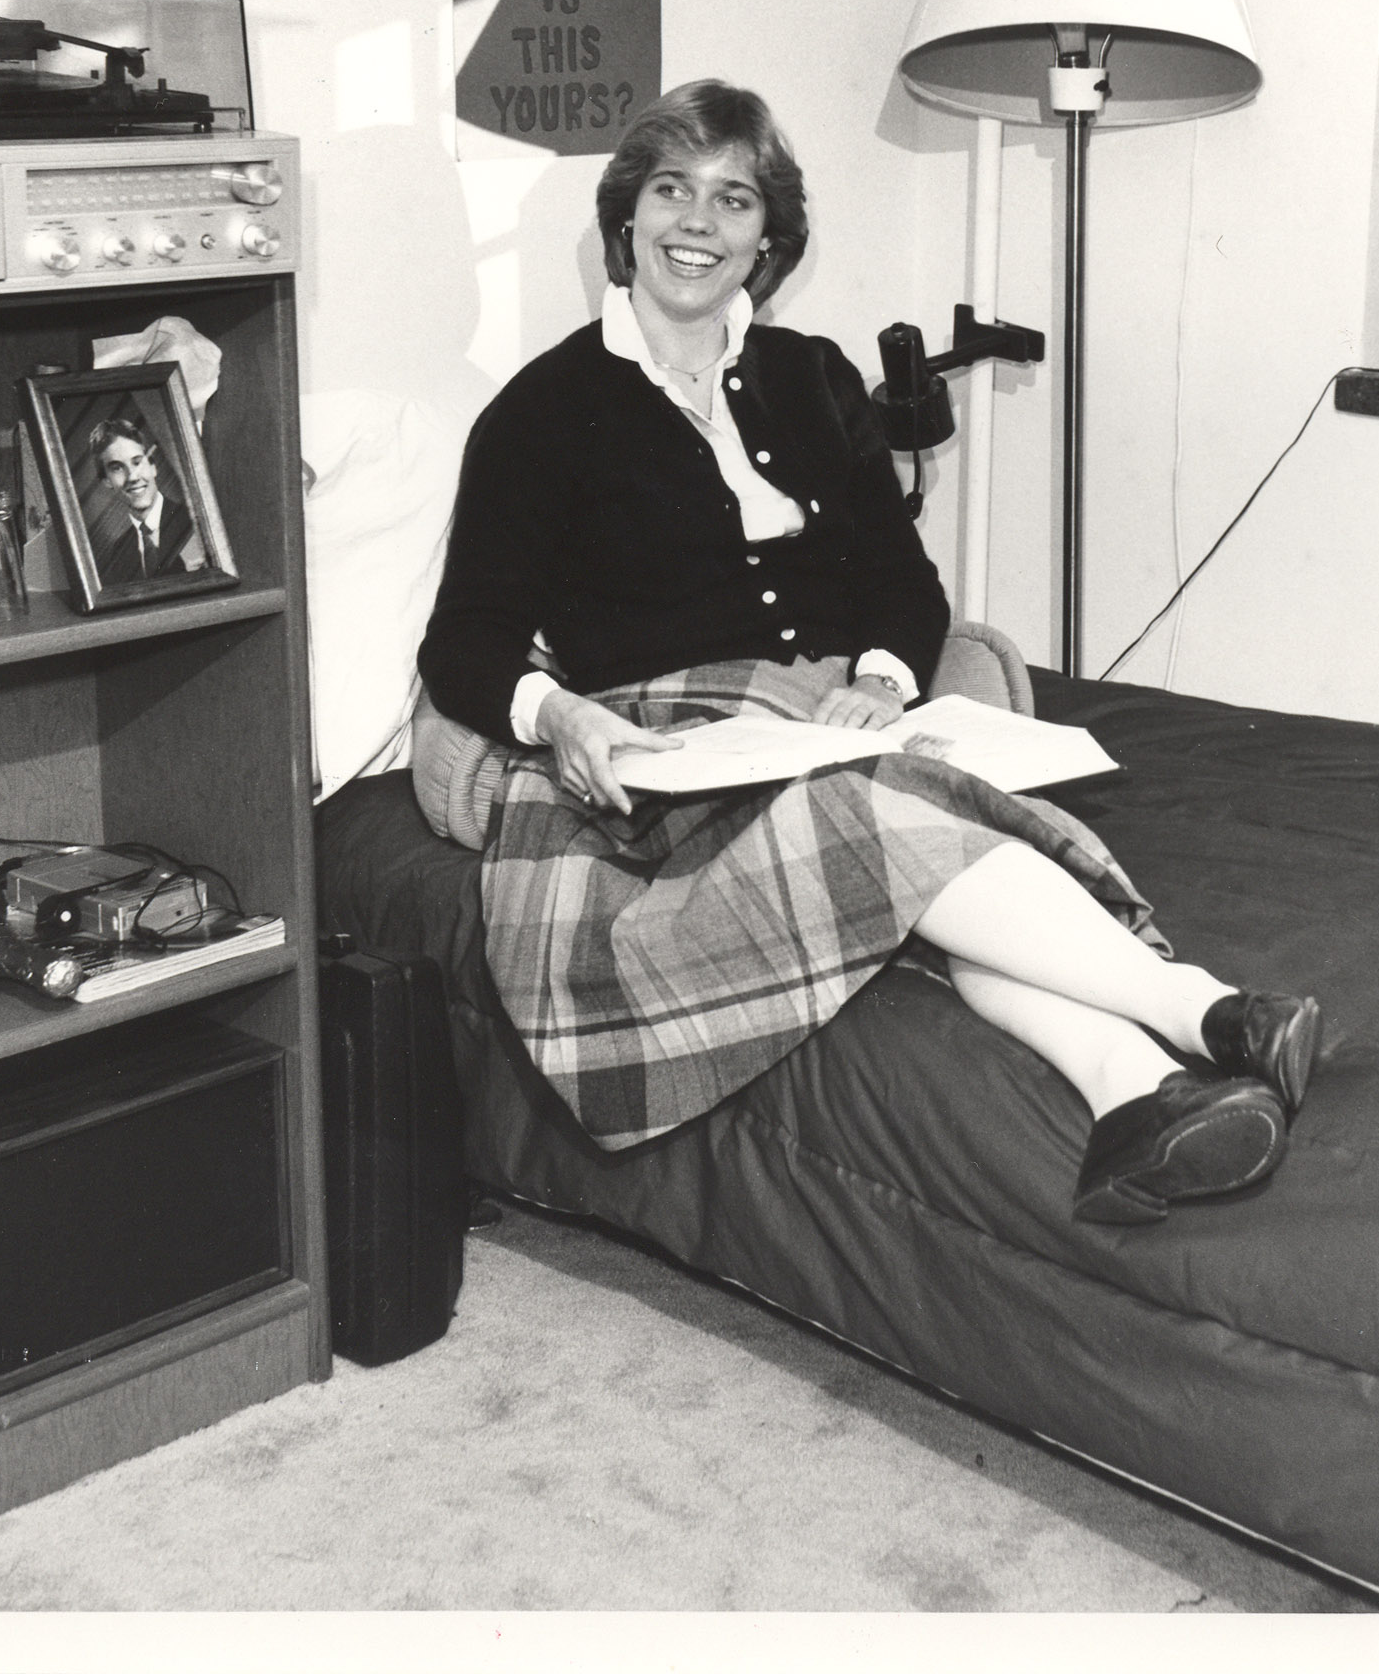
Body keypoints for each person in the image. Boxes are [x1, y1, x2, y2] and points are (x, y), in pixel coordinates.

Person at [417, 79, 1321, 1223]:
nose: (699, 224)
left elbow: (903, 583)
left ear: (768, 236)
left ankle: (1135, 1091)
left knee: (916, 841)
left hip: (829, 719)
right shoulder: (542, 410)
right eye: (672, 192)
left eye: (733, 199)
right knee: (894, 827)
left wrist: (880, 679)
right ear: (626, 220)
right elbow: (468, 637)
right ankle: (1207, 1012)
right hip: (669, 750)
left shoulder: (814, 378)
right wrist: (561, 716)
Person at [88, 412, 198, 583]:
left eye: (137, 462)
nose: (132, 476)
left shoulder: (194, 521)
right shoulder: (118, 552)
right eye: (117, 468)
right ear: (106, 481)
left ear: (153, 466)